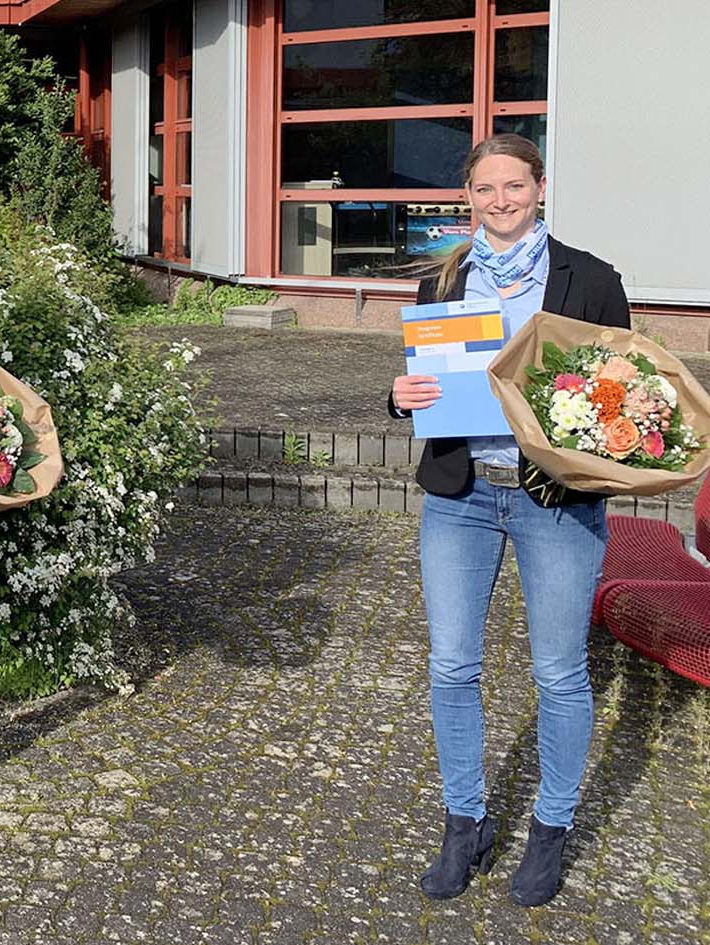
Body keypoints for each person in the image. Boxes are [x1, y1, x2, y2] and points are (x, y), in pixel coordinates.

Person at [390, 134, 630, 907]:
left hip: (552, 500)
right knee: (451, 665)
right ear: (469, 197)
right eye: (485, 189)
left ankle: (551, 827)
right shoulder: (443, 278)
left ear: (540, 187)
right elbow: (422, 384)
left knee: (558, 672)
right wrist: (399, 397)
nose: (501, 200)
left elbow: (621, 387)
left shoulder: (591, 279)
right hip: (459, 495)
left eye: (514, 185)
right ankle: (465, 823)